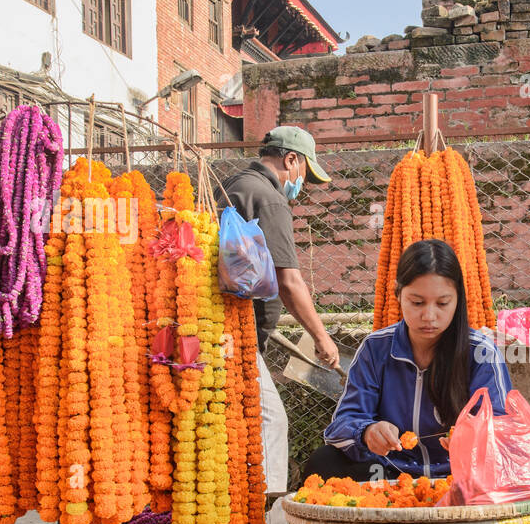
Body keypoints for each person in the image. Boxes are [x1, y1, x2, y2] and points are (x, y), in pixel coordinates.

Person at [302, 239, 512, 485]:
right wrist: (367, 432)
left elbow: (501, 427)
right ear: (398, 293)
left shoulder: (481, 353)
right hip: (388, 472)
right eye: (417, 302)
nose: (429, 316)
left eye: (443, 303)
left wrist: (472, 439)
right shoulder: (376, 348)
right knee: (324, 462)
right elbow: (343, 423)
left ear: (458, 299)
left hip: (459, 475)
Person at [215, 126, 340, 497]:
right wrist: (322, 337)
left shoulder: (234, 185)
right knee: (270, 420)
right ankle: (266, 517)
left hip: (214, 331)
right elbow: (289, 282)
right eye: (303, 172)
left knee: (232, 431)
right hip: (233, 340)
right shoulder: (268, 199)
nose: (301, 182)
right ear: (290, 160)